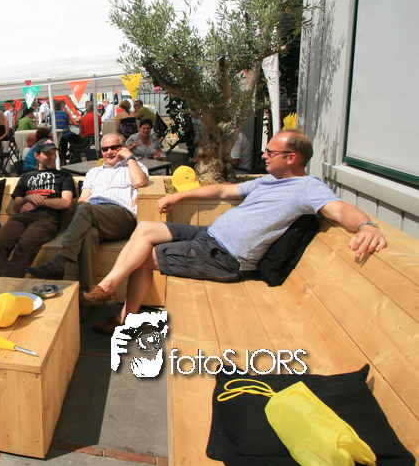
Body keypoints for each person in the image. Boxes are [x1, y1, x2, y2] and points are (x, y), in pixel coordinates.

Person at [88, 129, 388, 334]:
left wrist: (366, 225)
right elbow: (224, 189)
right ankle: (110, 285)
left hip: (224, 257)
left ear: (291, 158)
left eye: (271, 151)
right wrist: (180, 196)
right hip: (209, 235)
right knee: (146, 228)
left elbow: (339, 209)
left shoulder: (307, 188)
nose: (264, 155)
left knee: (143, 257)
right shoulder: (269, 180)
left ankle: (121, 316)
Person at [26, 133, 149, 305]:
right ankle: (87, 296)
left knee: (86, 209)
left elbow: (140, 181)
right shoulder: (94, 172)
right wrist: (83, 215)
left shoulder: (133, 166)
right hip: (94, 215)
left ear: (122, 148)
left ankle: (61, 260)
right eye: (105, 149)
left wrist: (129, 156)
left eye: (114, 148)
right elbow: (83, 199)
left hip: (121, 217)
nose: (109, 152)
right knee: (89, 234)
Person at [0, 140, 76, 277]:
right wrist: (27, 198)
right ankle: (0, 283)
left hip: (46, 218)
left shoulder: (64, 176)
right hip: (22, 217)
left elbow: (66, 203)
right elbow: (17, 207)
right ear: (37, 156)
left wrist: (40, 202)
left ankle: (7, 284)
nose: (52, 157)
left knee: (26, 243)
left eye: (54, 153)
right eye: (47, 154)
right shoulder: (25, 177)